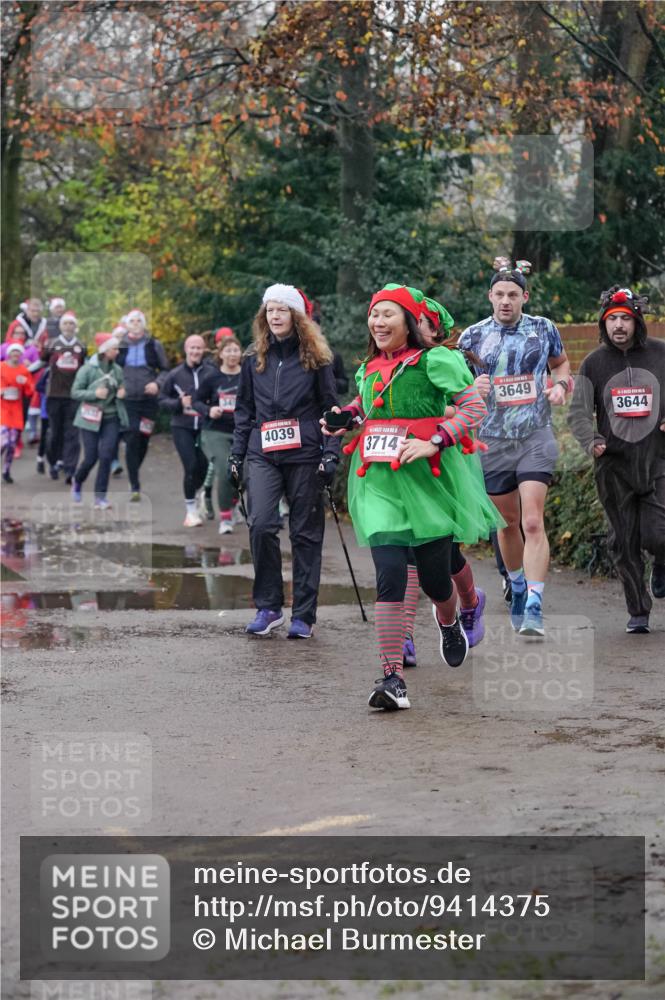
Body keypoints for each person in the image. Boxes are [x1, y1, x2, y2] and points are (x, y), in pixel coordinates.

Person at [324, 284, 501, 711]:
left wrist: (437, 439)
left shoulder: (435, 360)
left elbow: (473, 408)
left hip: (430, 481)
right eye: (375, 314)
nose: (378, 322)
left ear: (408, 321)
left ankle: (451, 617)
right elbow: (366, 407)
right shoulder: (370, 367)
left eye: (388, 314)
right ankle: (392, 679)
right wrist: (343, 418)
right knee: (389, 573)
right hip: (379, 482)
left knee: (437, 581)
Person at [457, 257, 571, 637]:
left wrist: (560, 387)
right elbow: (454, 390)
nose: (506, 301)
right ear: (490, 296)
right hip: (491, 442)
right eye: (500, 294)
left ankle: (535, 604)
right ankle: (518, 584)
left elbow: (561, 365)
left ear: (525, 296)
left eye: (513, 295)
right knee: (506, 524)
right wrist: (472, 390)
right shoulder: (471, 337)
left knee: (533, 520)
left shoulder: (544, 329)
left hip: (535, 435)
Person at [229, 283, 340, 639]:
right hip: (263, 452)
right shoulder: (252, 357)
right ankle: (269, 606)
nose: (275, 316)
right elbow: (244, 409)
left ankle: (304, 614)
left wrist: (331, 453)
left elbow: (330, 409)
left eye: (282, 310)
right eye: (270, 310)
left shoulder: (317, 358)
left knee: (305, 535)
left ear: (296, 316)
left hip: (305, 452)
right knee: (261, 524)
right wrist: (237, 454)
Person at [568, 286, 665, 634]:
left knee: (658, 534)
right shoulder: (594, 362)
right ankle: (638, 612)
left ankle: (662, 562)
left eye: (625, 318)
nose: (619, 326)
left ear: (637, 321)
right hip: (614, 466)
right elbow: (578, 412)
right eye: (613, 320)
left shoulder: (660, 353)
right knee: (622, 542)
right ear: (603, 324)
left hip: (657, 461)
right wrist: (590, 439)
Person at [116, 309, 170, 500]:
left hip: (148, 401)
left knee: (143, 440)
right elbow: (110, 370)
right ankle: (135, 484)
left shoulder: (154, 345)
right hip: (128, 400)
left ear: (144, 324)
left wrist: (157, 384)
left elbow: (165, 370)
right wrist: (118, 386)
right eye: (132, 320)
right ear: (127, 324)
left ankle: (133, 470)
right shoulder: (119, 345)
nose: (136, 323)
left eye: (139, 320)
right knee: (131, 437)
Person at [70, 334, 128, 509]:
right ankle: (78, 479)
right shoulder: (88, 369)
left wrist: (122, 392)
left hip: (110, 417)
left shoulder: (117, 369)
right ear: (104, 350)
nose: (117, 352)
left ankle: (100, 498)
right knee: (91, 458)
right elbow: (75, 392)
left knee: (106, 455)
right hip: (89, 418)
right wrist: (94, 394)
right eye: (114, 349)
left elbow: (122, 385)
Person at [159, 334, 210, 527]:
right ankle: (190, 512)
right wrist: (179, 403)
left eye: (199, 348)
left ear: (204, 350)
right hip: (182, 426)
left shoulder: (210, 372)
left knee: (204, 467)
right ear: (186, 350)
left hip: (205, 426)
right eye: (192, 348)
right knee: (190, 466)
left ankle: (196, 495)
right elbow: (162, 400)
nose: (196, 351)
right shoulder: (175, 374)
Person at [193, 334, 242, 533]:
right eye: (228, 350)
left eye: (235, 350)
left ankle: (234, 501)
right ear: (220, 354)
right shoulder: (211, 377)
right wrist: (208, 410)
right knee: (224, 469)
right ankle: (225, 518)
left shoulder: (248, 376)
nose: (232, 354)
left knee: (245, 473)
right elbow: (196, 400)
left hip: (242, 431)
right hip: (215, 431)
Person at [41, 310, 86, 481]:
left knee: (72, 434)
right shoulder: (52, 343)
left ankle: (70, 469)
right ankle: (53, 462)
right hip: (53, 395)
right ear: (61, 326)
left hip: (73, 396)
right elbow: (42, 360)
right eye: (66, 323)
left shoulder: (81, 346)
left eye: (71, 324)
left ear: (76, 327)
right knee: (54, 433)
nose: (68, 326)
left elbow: (84, 368)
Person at [0, 344, 35, 483]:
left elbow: (30, 392)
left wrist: (26, 382)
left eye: (18, 351)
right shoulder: (1, 367)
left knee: (12, 443)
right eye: (13, 351)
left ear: (21, 354)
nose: (16, 353)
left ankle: (6, 470)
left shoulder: (23, 371)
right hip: (2, 408)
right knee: (3, 442)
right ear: (9, 353)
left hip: (16, 410)